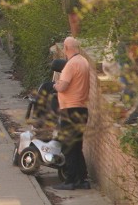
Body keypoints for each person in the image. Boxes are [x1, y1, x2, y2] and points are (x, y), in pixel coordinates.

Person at [53, 37, 92, 190]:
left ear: (66, 47)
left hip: (70, 109)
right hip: (82, 108)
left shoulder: (71, 64)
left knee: (68, 146)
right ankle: (82, 179)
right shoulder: (83, 62)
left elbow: (63, 86)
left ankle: (70, 180)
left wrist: (56, 85)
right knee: (76, 145)